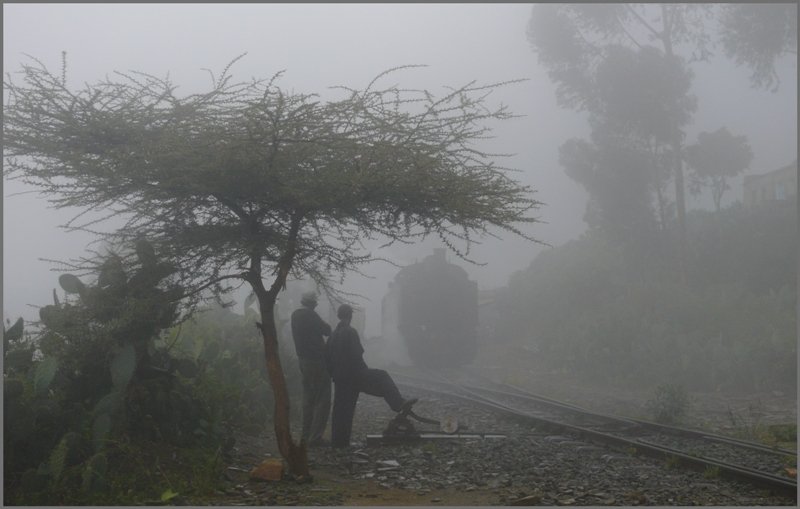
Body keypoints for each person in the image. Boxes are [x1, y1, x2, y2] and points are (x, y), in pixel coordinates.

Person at [325, 303, 417, 448]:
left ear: (339, 316)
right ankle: (398, 403)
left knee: (341, 409)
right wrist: (362, 371)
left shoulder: (332, 335)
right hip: (355, 375)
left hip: (339, 378)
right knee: (382, 376)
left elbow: (327, 358)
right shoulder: (350, 332)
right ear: (350, 316)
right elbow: (357, 354)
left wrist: (334, 375)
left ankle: (339, 442)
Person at [290, 291, 332, 447]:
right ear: (313, 303)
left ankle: (305, 435)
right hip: (317, 361)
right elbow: (327, 330)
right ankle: (315, 437)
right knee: (323, 399)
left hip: (303, 361)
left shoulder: (295, 315)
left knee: (308, 398)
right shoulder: (311, 315)